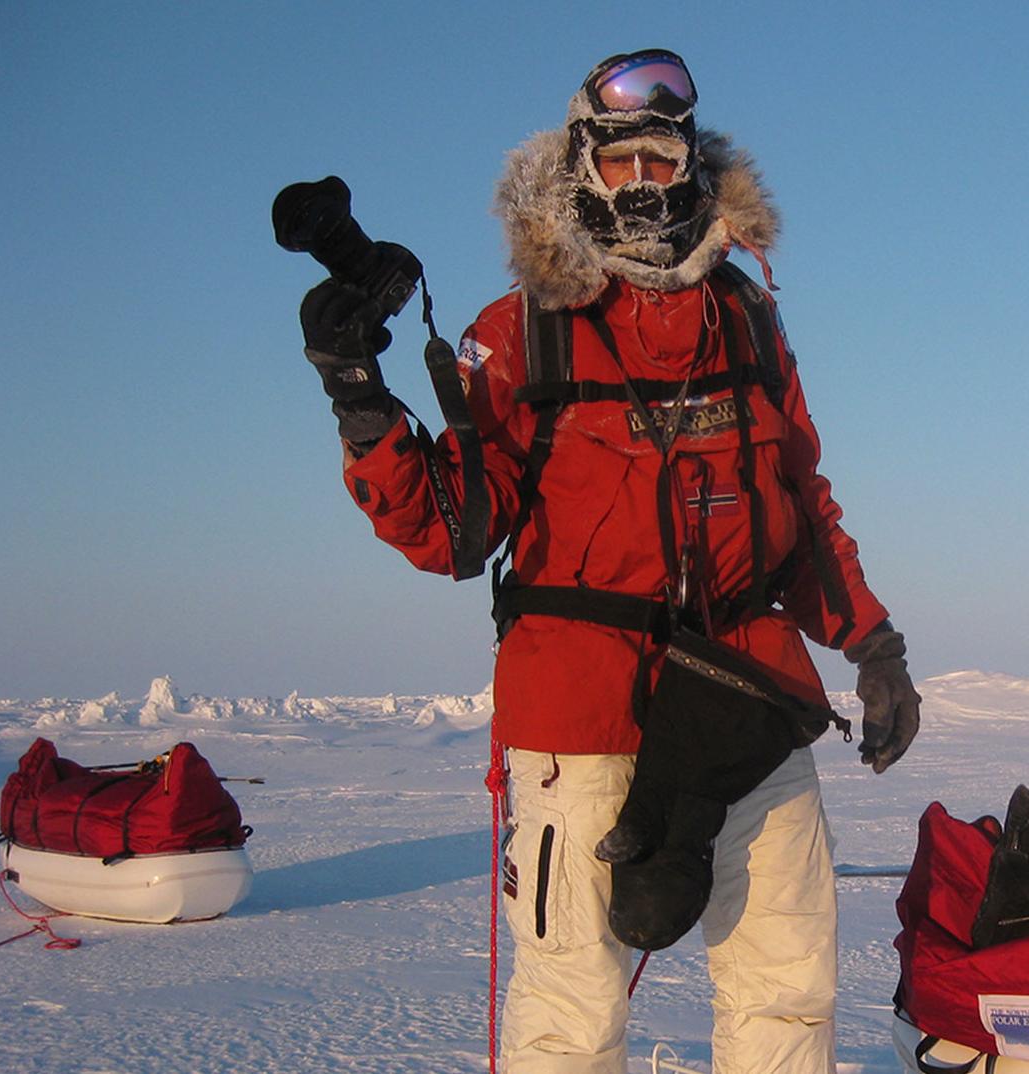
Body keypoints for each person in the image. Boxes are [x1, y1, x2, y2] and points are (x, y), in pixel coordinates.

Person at [295, 48, 921, 1074]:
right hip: (578, 719)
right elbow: (447, 532)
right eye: (620, 161)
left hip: (745, 699)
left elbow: (799, 505)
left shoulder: (747, 322)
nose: (642, 183)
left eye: (661, 159)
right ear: (580, 173)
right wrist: (359, 398)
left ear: (694, 168)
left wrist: (873, 643)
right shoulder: (518, 334)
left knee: (788, 990)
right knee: (569, 1012)